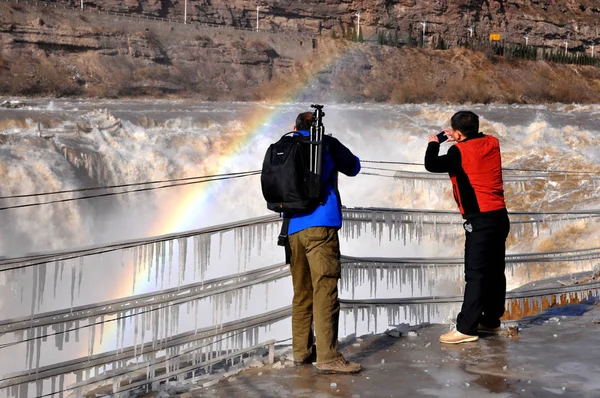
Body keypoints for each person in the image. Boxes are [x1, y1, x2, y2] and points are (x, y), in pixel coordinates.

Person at [424, 110, 510, 344]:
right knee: (494, 271)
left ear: (457, 134)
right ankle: (491, 321)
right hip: (500, 216)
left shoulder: (458, 152)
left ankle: (466, 328)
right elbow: (477, 139)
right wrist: (462, 135)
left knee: (475, 274)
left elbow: (431, 164)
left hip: (479, 219)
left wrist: (435, 141)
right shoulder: (493, 143)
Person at [287, 111, 362, 373]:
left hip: (291, 228)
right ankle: (328, 357)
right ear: (318, 125)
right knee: (325, 289)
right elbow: (353, 166)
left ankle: (301, 352)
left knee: (302, 292)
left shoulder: (286, 145)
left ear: (294, 126)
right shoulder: (326, 144)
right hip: (320, 226)